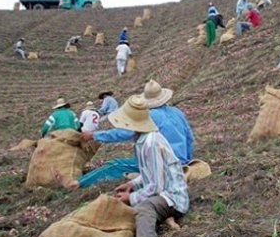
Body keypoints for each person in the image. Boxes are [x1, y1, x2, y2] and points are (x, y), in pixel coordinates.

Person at [96, 95, 189, 237]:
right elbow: (148, 174)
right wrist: (131, 184)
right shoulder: (143, 140)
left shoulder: (151, 143)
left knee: (144, 208)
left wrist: (131, 197)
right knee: (138, 199)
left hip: (172, 195)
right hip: (162, 190)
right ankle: (166, 217)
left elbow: (157, 186)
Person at [61, 79, 195, 188]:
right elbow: (189, 137)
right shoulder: (177, 112)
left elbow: (124, 133)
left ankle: (77, 183)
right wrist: (186, 159)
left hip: (165, 160)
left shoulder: (150, 115)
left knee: (115, 165)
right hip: (181, 158)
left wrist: (94, 135)